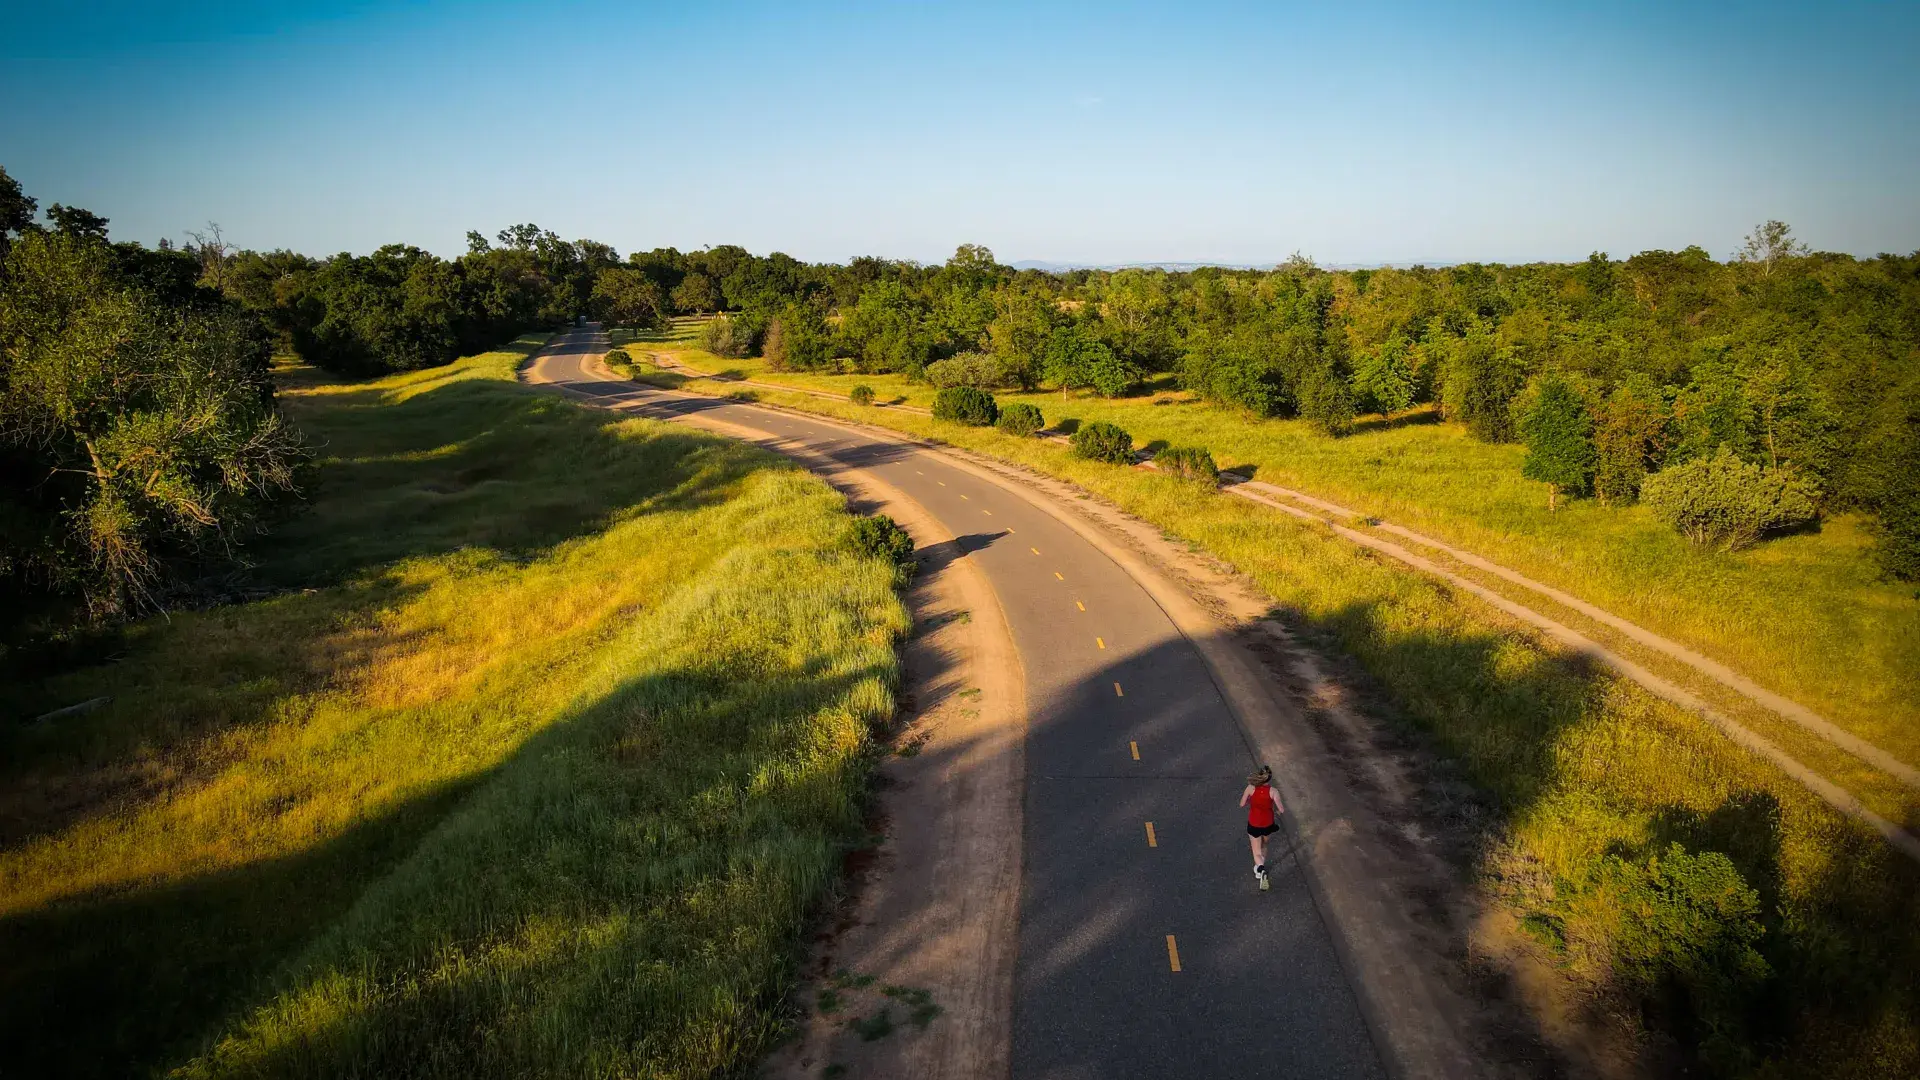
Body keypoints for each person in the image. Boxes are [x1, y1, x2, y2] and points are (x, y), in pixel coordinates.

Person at [1240, 765, 1284, 890]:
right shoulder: (1274, 791)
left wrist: (1250, 800)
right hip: (1268, 824)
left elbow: (1242, 804)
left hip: (1254, 823)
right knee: (1264, 845)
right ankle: (1260, 870)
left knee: (1256, 851)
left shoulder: (1250, 788)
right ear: (1269, 779)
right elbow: (1281, 809)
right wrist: (1276, 810)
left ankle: (1261, 869)